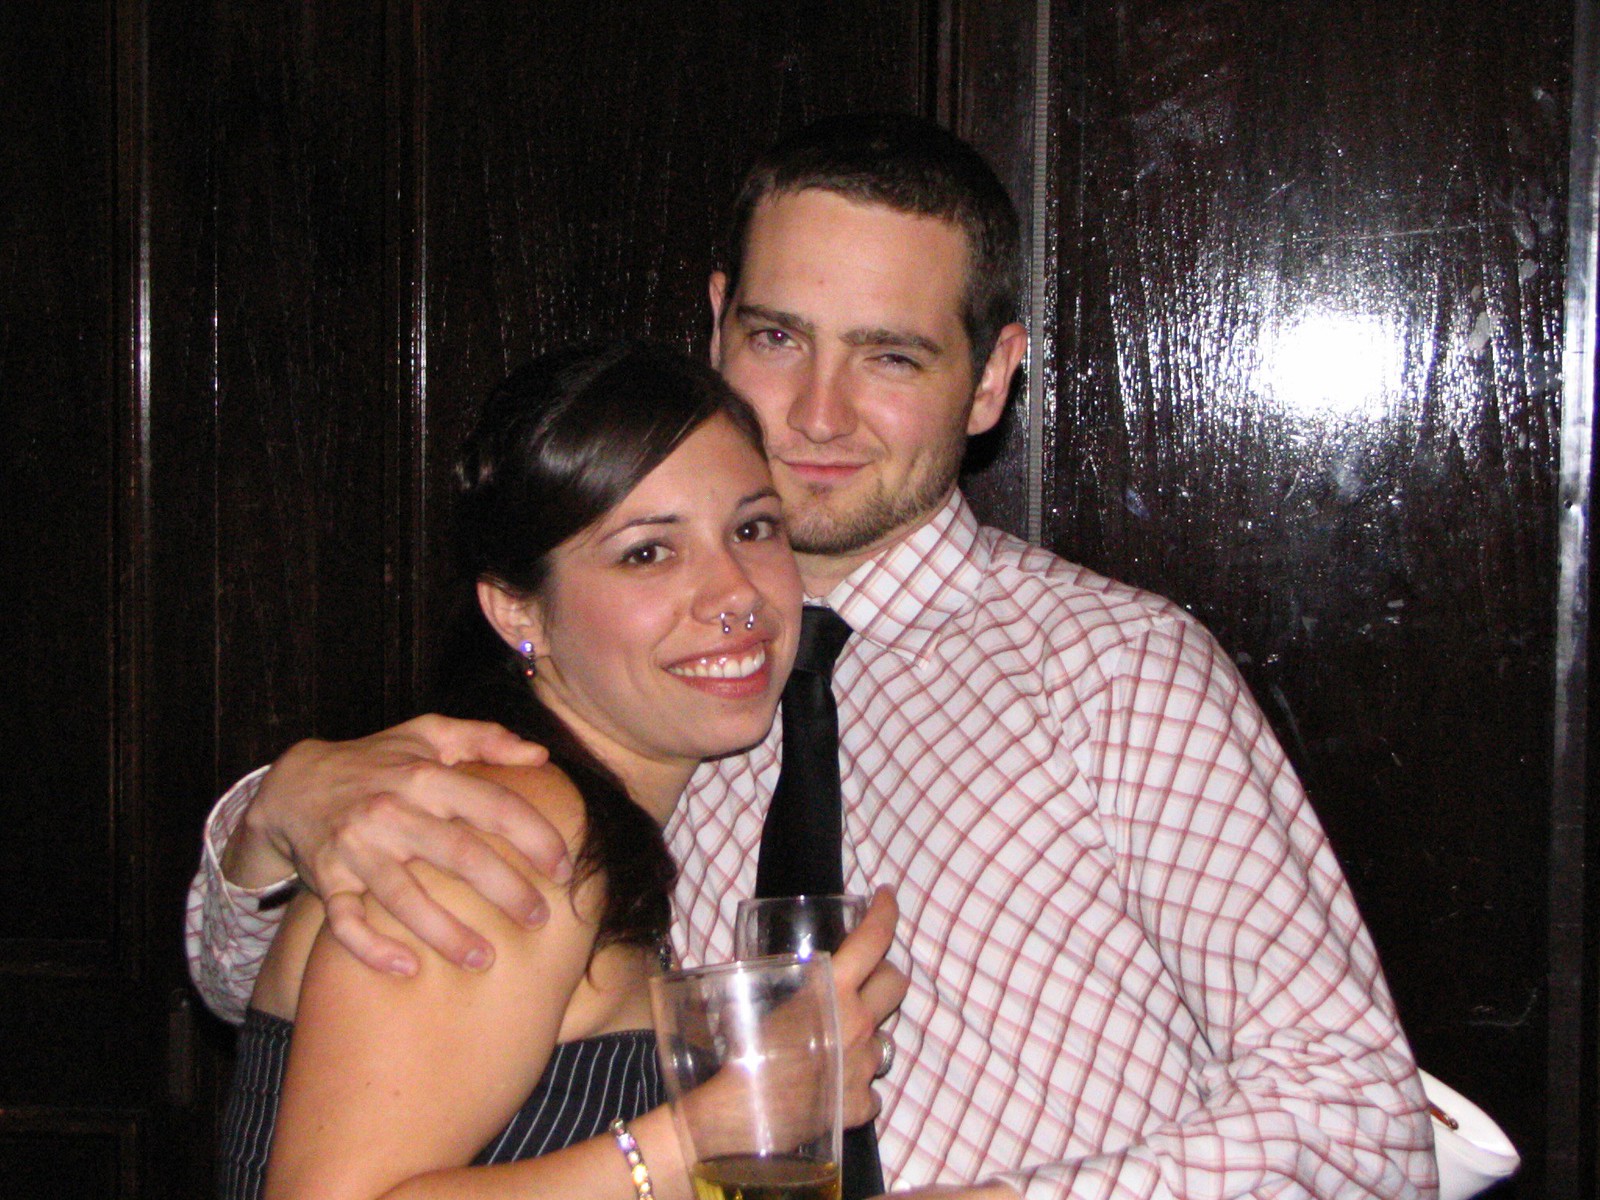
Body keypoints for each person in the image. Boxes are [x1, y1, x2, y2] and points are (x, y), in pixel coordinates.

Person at [189, 114, 1437, 1198]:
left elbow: (1360, 1122)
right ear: (717, 321)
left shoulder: (1115, 675)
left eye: (891, 355)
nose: (818, 413)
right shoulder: (634, 685)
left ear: (992, 379)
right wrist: (271, 825)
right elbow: (279, 996)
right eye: (780, 338)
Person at [213, 339, 902, 1200]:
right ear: (518, 611)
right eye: (648, 552)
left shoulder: (589, 816)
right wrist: (712, 1129)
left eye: (752, 528)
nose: (736, 592)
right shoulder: (510, 832)